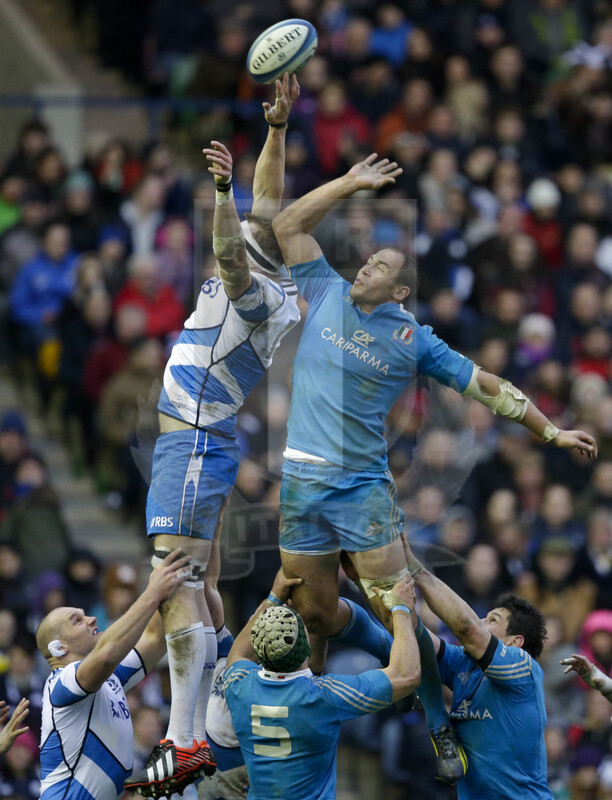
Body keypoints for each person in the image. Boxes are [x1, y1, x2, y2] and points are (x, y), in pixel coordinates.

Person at [270, 151, 597, 781]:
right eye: (369, 257)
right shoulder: (324, 287)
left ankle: (437, 722)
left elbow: (488, 386)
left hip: (362, 488)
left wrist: (551, 432)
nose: (367, 264)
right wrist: (348, 182)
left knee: (401, 604)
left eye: (384, 266)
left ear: (399, 291)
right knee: (309, 613)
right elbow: (286, 225)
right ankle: (302, 717)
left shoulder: (414, 339)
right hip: (300, 481)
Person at [125, 73, 302, 797]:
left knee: (174, 582)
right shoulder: (272, 260)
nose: (272, 213)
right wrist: (278, 132)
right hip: (198, 439)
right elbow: (266, 205)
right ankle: (190, 740)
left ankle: (184, 737)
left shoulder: (260, 292)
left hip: (193, 439)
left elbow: (232, 249)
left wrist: (221, 196)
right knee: (194, 583)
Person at [223, 571, 421, 800]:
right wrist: (401, 609)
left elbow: (239, 652)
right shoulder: (322, 697)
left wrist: (273, 597)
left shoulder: (238, 685)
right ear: (304, 647)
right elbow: (407, 676)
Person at [35, 549, 196, 800]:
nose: (91, 619)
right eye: (76, 621)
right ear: (59, 648)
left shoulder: (107, 678)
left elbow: (155, 637)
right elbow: (107, 654)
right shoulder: (60, 683)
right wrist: (152, 592)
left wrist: (181, 578)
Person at [401, 541, 554, 800]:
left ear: (513, 642)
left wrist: (416, 570)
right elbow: (419, 638)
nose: (482, 622)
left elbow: (467, 627)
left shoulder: (524, 666)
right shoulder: (465, 662)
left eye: (492, 620)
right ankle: (440, 727)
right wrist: (388, 591)